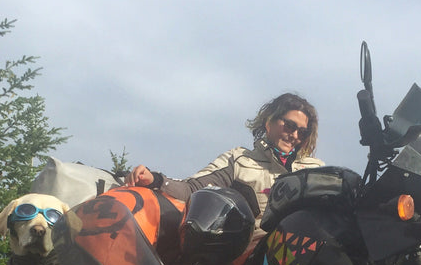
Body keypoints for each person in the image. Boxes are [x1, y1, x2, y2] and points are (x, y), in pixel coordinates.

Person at [127, 92, 324, 223]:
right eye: (289, 126)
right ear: (269, 122)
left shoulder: (316, 170)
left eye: (303, 132)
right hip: (256, 256)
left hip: (308, 249)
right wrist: (156, 180)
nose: (295, 136)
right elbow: (193, 189)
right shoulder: (239, 160)